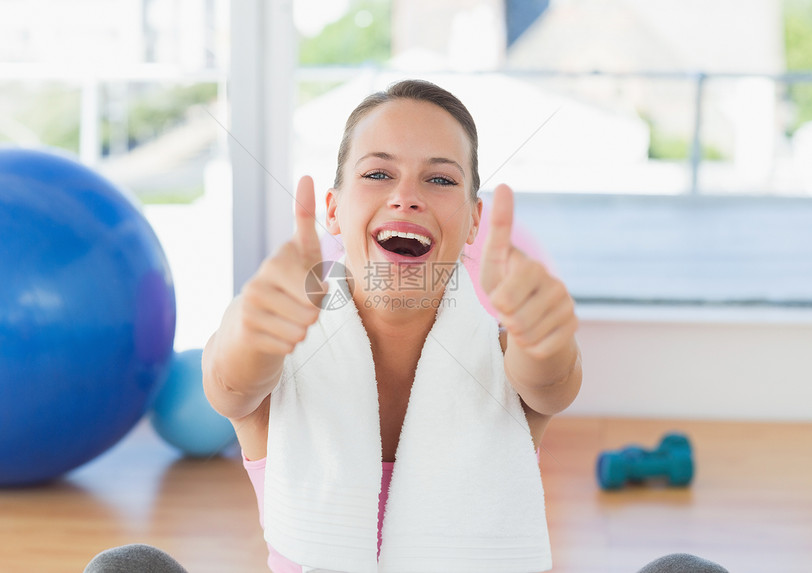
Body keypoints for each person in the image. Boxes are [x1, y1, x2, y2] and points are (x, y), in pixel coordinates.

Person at [85, 80, 727, 573]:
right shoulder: (281, 350)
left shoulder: (501, 353)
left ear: (474, 221)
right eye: (378, 173)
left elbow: (551, 383)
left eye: (439, 178)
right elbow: (230, 384)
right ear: (334, 209)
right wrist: (252, 331)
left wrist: (547, 338)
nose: (406, 195)